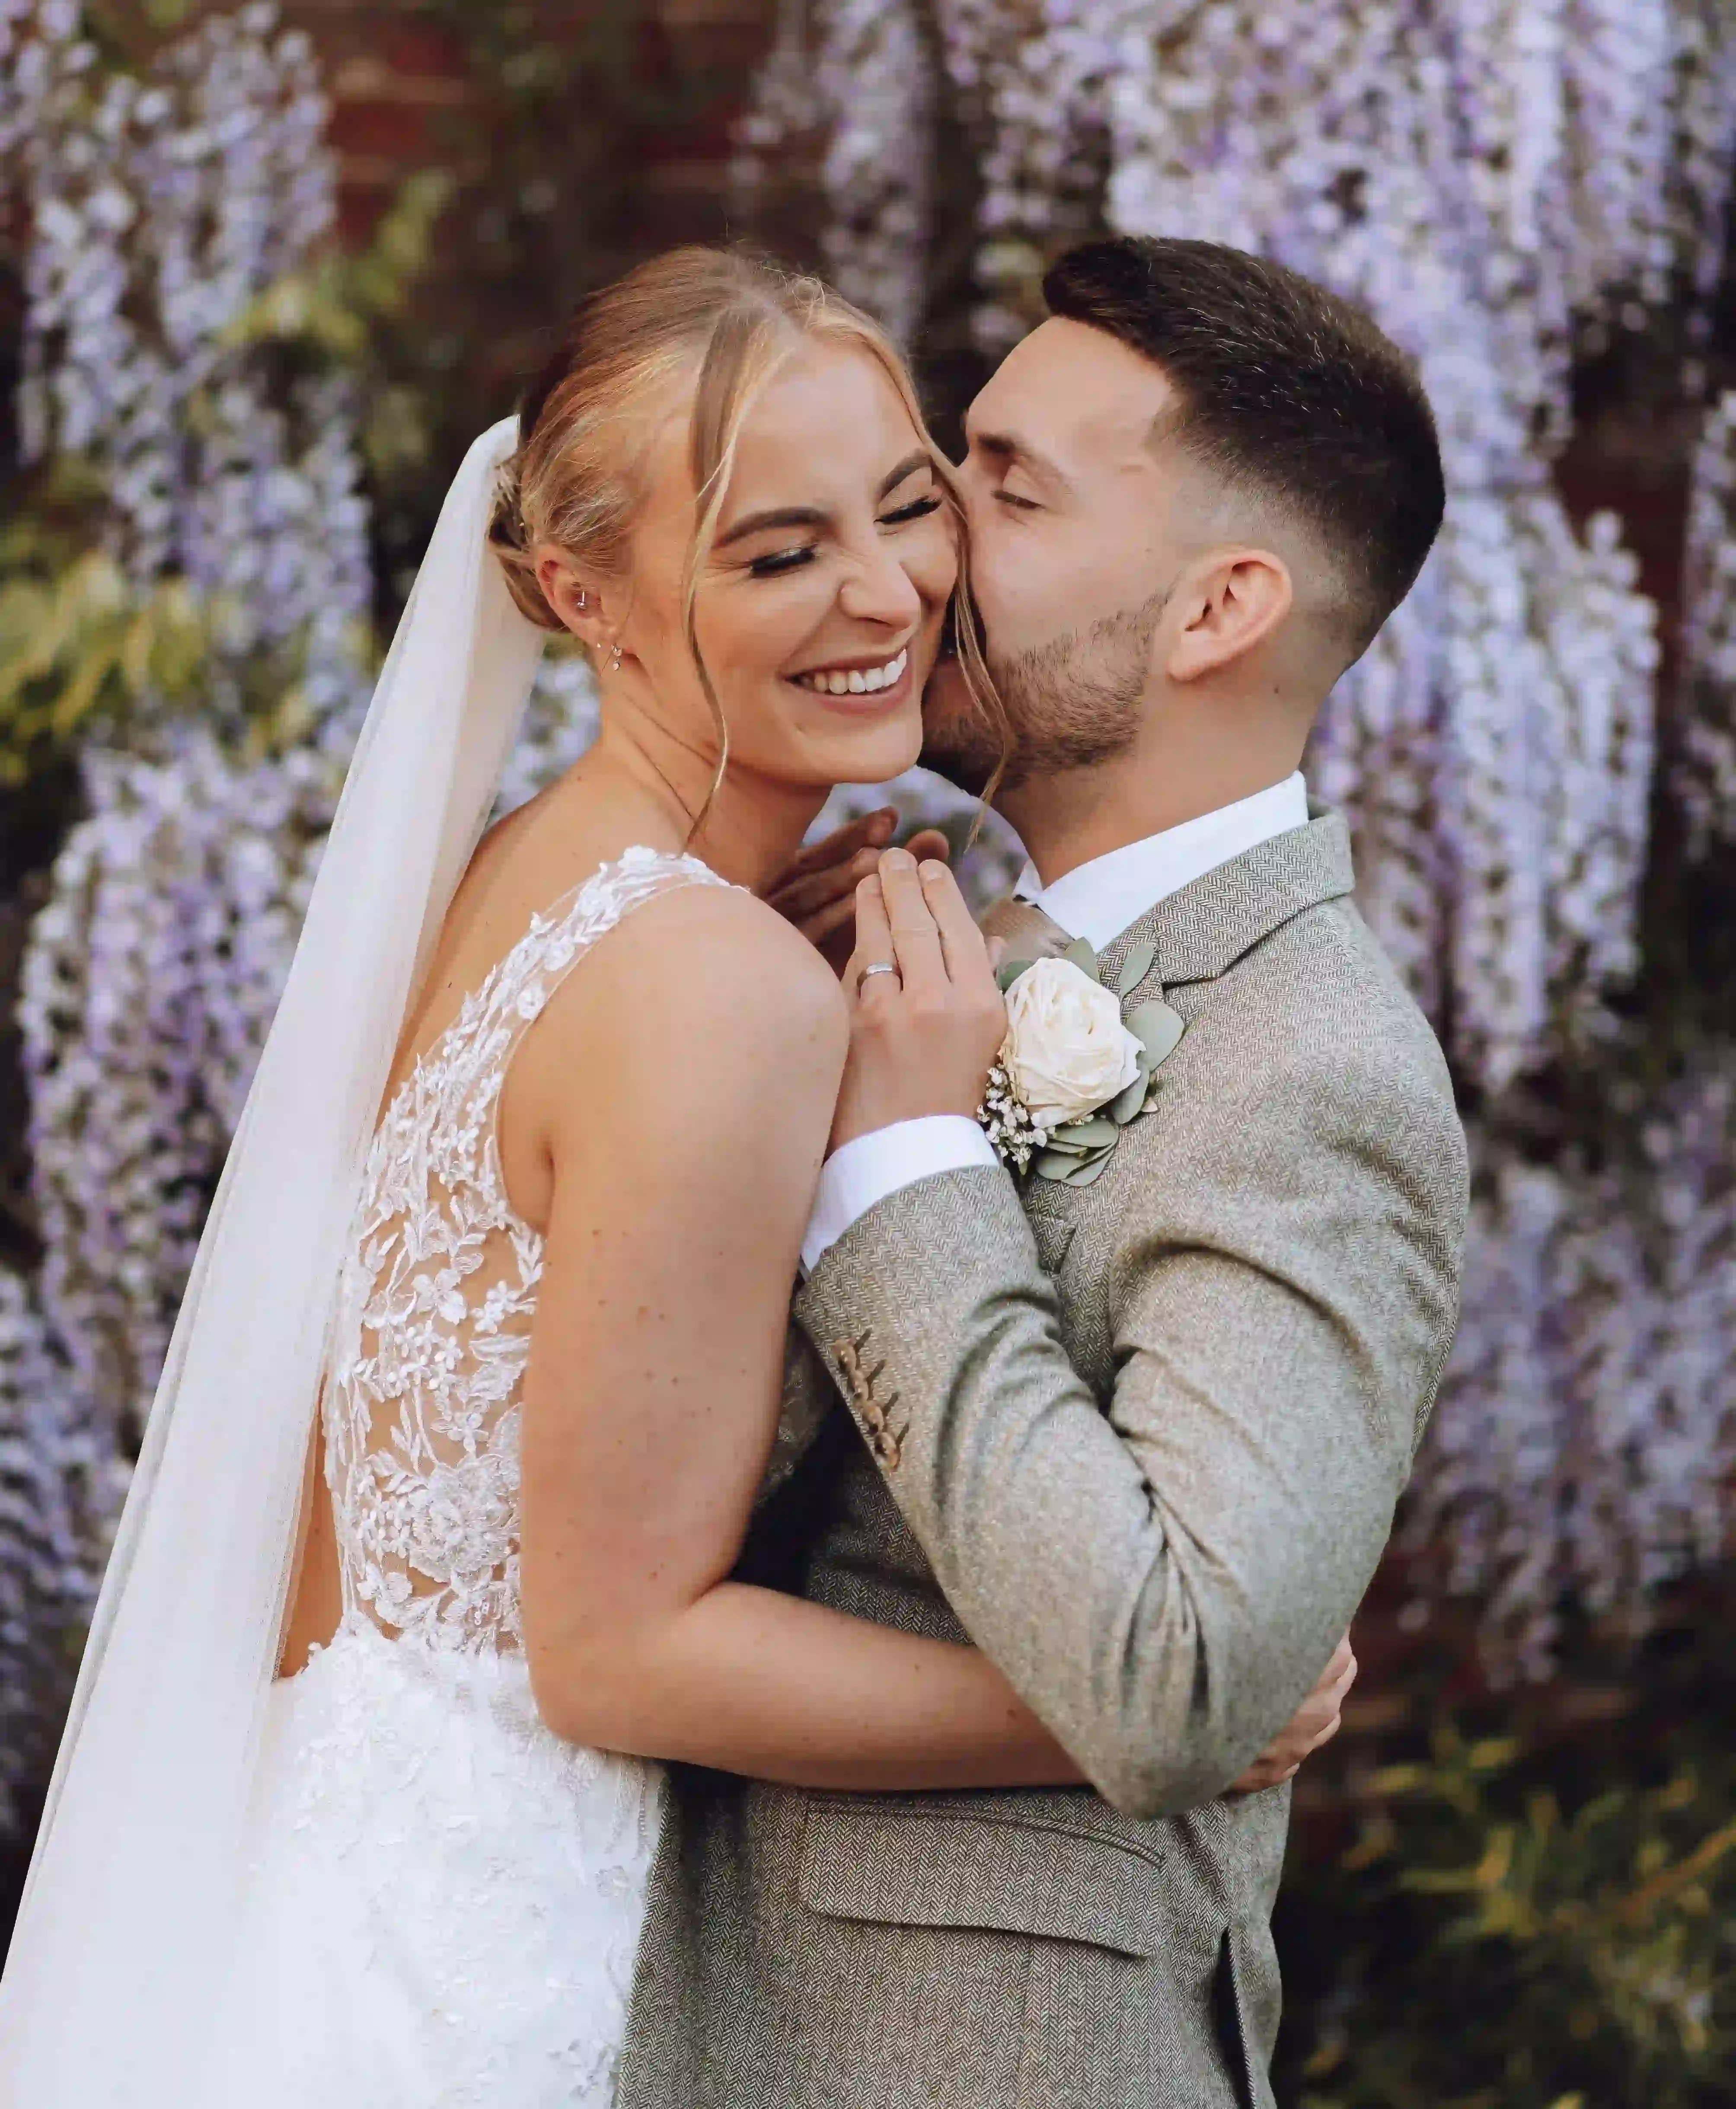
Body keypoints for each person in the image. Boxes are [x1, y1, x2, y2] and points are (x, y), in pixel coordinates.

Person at [0, 246, 1345, 2109]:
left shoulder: (522, 872)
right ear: (580, 594)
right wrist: (1150, 1719)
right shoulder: (704, 983)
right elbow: (618, 1658)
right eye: (774, 552)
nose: (884, 595)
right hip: (501, 1962)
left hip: (325, 1879)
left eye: (908, 507)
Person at [617, 238, 1468, 2109]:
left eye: (998, 493)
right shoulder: (882, 929)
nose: (918, 560)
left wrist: (909, 1161)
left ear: (1212, 609)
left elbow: (1174, 1675)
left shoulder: (1310, 1065)